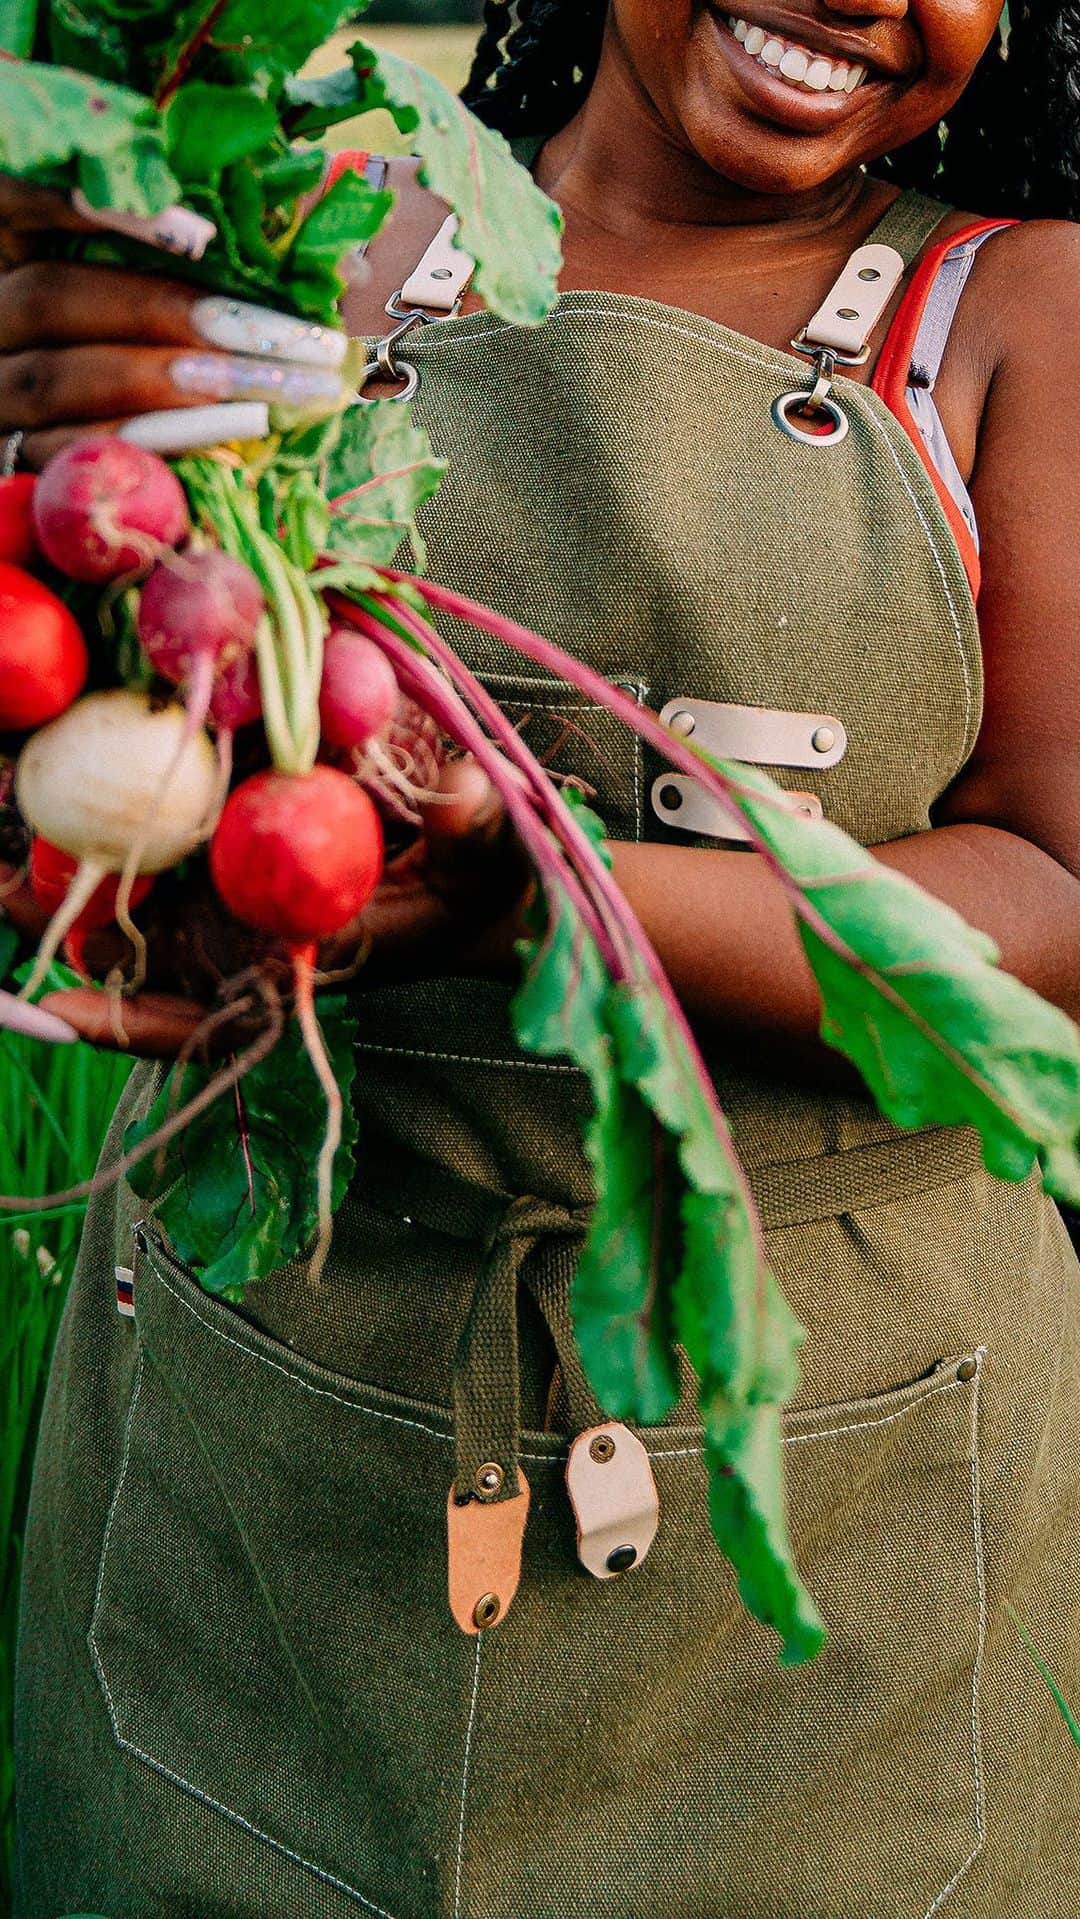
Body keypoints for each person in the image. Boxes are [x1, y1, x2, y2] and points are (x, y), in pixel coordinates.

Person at [6, 3, 1080, 1914]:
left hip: (838, 1496)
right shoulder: (315, 231)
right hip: (270, 1441)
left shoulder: (1025, 317)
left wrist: (558, 891)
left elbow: (1059, 903)